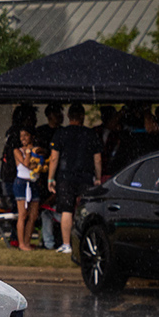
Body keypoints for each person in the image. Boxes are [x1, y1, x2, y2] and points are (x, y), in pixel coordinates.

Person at [47, 103, 102, 255]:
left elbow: (54, 158)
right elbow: (97, 159)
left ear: (69, 116)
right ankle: (87, 241)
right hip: (85, 176)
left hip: (65, 176)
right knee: (86, 210)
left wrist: (50, 178)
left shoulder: (61, 133)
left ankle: (66, 244)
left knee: (66, 209)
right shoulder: (90, 134)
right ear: (82, 116)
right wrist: (97, 177)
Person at [12, 128, 38, 251]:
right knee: (23, 214)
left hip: (33, 182)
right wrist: (28, 151)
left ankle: (27, 241)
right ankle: (21, 243)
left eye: (26, 135)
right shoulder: (17, 151)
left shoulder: (36, 150)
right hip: (21, 183)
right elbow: (26, 164)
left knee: (33, 215)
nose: (23, 138)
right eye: (21, 136)